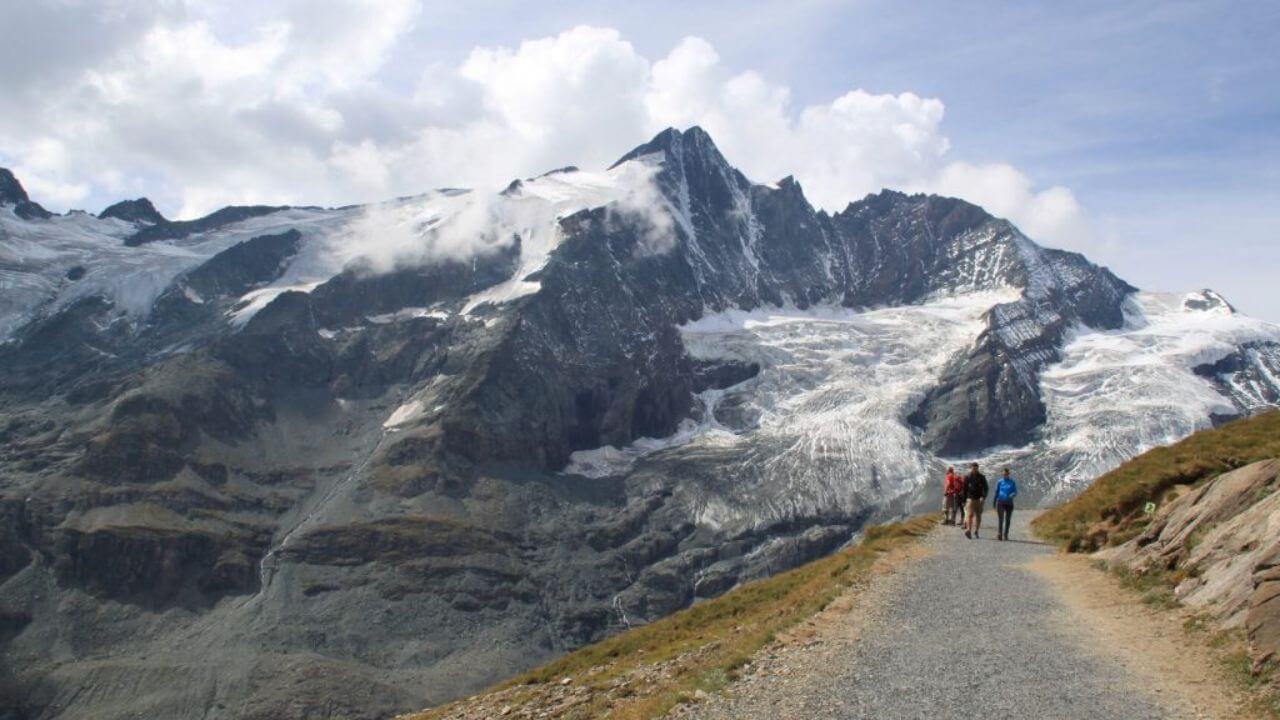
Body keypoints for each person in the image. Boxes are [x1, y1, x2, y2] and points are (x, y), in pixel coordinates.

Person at [963, 462, 987, 539]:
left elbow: (986, 488)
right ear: (971, 468)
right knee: (970, 515)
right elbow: (964, 489)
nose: (974, 470)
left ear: (977, 468)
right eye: (973, 468)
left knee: (978, 516)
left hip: (979, 499)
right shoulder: (967, 477)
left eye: (976, 468)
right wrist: (964, 500)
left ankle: (976, 531)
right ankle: (969, 530)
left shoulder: (982, 477)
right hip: (970, 498)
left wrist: (983, 496)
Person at [994, 468, 1018, 541]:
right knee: (1001, 519)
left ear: (1008, 474)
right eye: (1004, 474)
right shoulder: (999, 482)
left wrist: (1012, 494)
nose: (1005, 475)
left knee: (1008, 519)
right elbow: (996, 491)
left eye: (1006, 474)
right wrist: (994, 501)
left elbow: (1015, 491)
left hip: (1009, 502)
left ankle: (1006, 534)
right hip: (1000, 501)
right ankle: (999, 534)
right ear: (1002, 474)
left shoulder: (1012, 482)